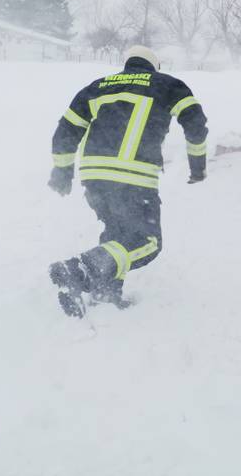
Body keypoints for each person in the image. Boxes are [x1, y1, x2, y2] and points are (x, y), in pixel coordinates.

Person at [47, 46, 208, 317]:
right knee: (147, 242)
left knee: (118, 233)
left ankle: (105, 292)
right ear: (153, 66)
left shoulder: (98, 87)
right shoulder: (168, 85)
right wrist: (197, 167)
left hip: (94, 177)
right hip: (133, 177)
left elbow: (66, 128)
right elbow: (195, 123)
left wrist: (62, 171)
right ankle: (80, 268)